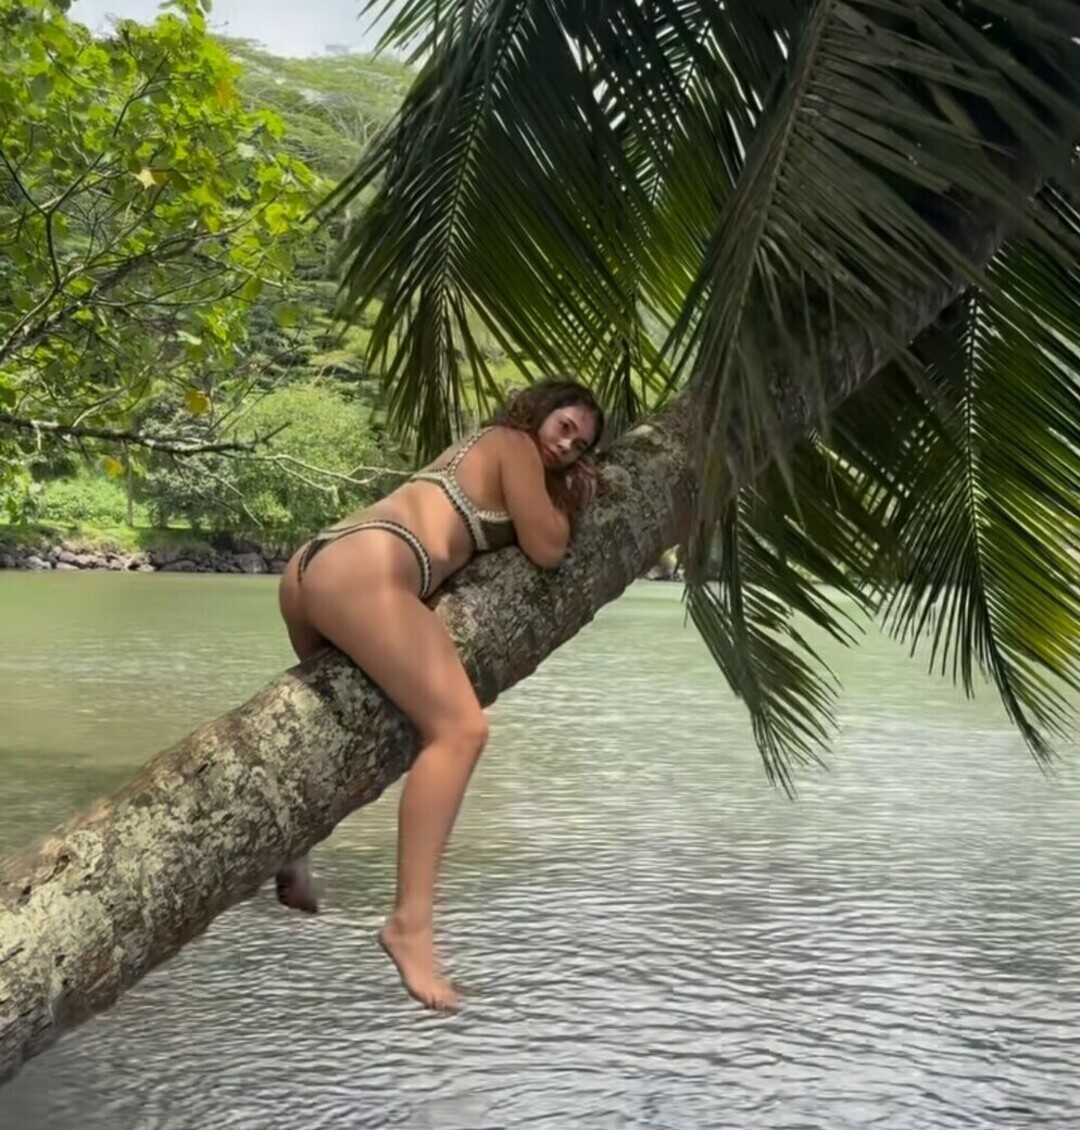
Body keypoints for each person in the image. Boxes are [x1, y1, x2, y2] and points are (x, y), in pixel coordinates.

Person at [274, 378, 605, 1010]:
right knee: (460, 731)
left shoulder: (485, 446)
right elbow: (547, 547)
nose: (568, 446)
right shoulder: (513, 444)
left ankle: (295, 847)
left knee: (343, 726)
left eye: (582, 445)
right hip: (367, 569)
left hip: (314, 564)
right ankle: (410, 926)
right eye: (565, 427)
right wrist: (574, 500)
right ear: (538, 412)